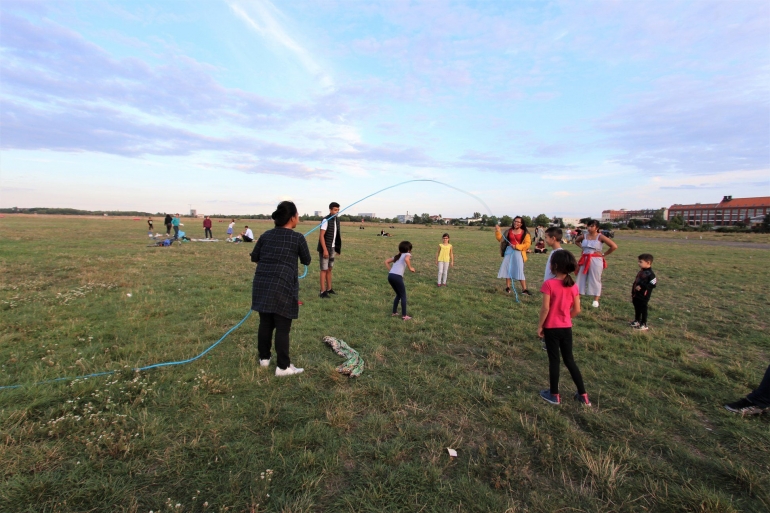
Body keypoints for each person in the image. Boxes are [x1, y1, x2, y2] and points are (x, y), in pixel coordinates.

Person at [250, 201, 312, 376]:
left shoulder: (265, 235)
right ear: (292, 218)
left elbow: (255, 257)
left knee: (265, 323)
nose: (298, 218)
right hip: (283, 286)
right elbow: (307, 260)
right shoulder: (298, 237)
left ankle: (264, 359)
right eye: (297, 215)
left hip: (261, 284)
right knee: (283, 327)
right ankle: (282, 367)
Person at [537, 250, 591, 406]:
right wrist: (566, 318)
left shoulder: (549, 284)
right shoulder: (573, 286)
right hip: (566, 328)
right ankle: (583, 395)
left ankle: (554, 395)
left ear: (554, 266)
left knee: (554, 361)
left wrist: (540, 326)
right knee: (570, 360)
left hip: (551, 328)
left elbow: (545, 308)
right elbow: (577, 310)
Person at [574, 220, 617, 308]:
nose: (589, 228)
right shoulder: (584, 236)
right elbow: (576, 241)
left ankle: (595, 299)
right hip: (584, 258)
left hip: (596, 259)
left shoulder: (600, 237)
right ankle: (578, 297)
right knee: (580, 278)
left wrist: (604, 254)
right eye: (588, 226)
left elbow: (614, 246)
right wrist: (583, 248)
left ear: (597, 228)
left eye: (591, 226)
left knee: (595, 278)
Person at [495, 216, 532, 295]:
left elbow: (527, 244)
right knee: (508, 268)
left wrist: (517, 246)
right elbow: (501, 239)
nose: (516, 223)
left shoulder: (525, 233)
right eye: (515, 221)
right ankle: (507, 287)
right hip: (509, 251)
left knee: (519, 270)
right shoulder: (509, 231)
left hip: (519, 252)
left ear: (521, 224)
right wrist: (498, 231)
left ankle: (524, 289)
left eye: (518, 222)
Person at [386, 241, 415, 320]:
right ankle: (404, 316)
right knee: (403, 296)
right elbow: (406, 259)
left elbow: (386, 261)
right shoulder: (407, 254)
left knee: (398, 294)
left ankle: (394, 312)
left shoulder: (398, 256)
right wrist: (410, 268)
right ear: (409, 249)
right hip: (397, 276)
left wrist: (391, 271)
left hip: (390, 276)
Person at [318, 202, 342, 299]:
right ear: (330, 210)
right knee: (324, 269)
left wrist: (337, 248)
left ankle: (329, 288)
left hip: (332, 248)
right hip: (325, 248)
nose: (337, 212)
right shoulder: (325, 220)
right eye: (335, 210)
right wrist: (325, 250)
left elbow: (337, 236)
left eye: (338, 210)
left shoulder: (337, 220)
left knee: (329, 269)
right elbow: (321, 236)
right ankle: (322, 291)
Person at [630, 253, 657, 331]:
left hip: (644, 296)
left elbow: (653, 284)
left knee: (643, 308)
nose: (638, 264)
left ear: (648, 262)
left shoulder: (651, 274)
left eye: (640, 262)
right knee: (637, 307)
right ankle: (637, 320)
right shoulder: (641, 271)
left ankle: (644, 323)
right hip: (636, 294)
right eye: (638, 262)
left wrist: (642, 287)